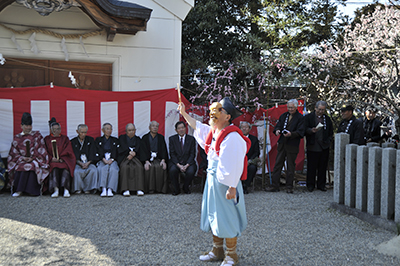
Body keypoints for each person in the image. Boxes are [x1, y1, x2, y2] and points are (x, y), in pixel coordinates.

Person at [178, 97, 250, 266]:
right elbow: (198, 126)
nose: (214, 114)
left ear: (228, 117)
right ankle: (217, 250)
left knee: (228, 216)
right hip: (212, 178)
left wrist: (232, 187)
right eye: (213, 111)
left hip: (226, 182)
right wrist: (183, 113)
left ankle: (232, 255)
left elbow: (235, 163)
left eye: (220, 111)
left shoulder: (233, 136)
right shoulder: (214, 131)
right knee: (214, 215)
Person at [265, 99, 305, 193]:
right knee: (278, 164)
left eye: (292, 107)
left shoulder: (300, 117)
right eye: (289, 107)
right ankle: (275, 185)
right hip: (282, 143)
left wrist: (292, 134)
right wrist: (277, 131)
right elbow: (278, 125)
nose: (290, 109)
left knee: (291, 166)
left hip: (292, 144)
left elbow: (301, 132)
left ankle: (289, 186)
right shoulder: (284, 115)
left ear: (296, 107)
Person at [7, 112, 49, 197]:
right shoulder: (17, 138)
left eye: (30, 125)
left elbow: (41, 149)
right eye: (26, 126)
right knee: (20, 166)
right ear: (21, 126)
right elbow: (13, 153)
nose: (28, 128)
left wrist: (33, 158)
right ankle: (19, 190)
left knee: (31, 166)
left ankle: (32, 190)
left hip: (34, 160)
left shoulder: (37, 136)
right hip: (21, 160)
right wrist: (22, 158)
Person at [304, 101, 333, 192]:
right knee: (311, 166)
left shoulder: (327, 119)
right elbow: (303, 129)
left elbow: (330, 132)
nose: (321, 111)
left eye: (323, 110)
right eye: (319, 109)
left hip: (323, 145)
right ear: (315, 108)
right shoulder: (308, 117)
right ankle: (310, 184)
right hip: (312, 145)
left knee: (322, 166)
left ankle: (321, 184)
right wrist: (310, 131)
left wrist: (328, 141)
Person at [44, 118, 76, 198]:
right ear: (51, 130)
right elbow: (44, 151)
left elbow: (68, 150)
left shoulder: (65, 139)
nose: (56, 131)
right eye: (54, 129)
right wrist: (51, 158)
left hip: (63, 160)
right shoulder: (47, 139)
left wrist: (61, 158)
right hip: (52, 161)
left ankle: (66, 189)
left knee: (65, 168)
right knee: (54, 167)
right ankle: (56, 189)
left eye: (58, 129)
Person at [168, 121, 197, 195]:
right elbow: (172, 154)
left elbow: (192, 154)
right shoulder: (172, 139)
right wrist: (179, 165)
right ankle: (176, 189)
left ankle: (185, 187)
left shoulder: (191, 139)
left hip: (188, 162)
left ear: (185, 128)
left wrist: (187, 165)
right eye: (179, 128)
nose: (181, 130)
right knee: (172, 170)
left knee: (191, 171)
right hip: (176, 162)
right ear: (176, 130)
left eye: (183, 128)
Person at [118, 123, 146, 196]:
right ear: (126, 131)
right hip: (125, 157)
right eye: (129, 130)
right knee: (124, 167)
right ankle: (125, 189)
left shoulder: (138, 139)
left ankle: (139, 189)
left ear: (135, 130)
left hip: (136, 157)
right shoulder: (122, 138)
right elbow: (121, 148)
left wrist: (134, 153)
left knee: (139, 167)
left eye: (133, 130)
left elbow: (139, 148)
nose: (131, 132)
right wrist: (128, 152)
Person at [70, 124, 98, 194]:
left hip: (88, 162)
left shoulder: (90, 140)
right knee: (76, 171)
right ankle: (78, 189)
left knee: (93, 170)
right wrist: (80, 163)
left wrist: (88, 163)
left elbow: (93, 152)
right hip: (78, 162)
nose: (83, 134)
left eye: (85, 132)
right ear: (77, 131)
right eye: (81, 132)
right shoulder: (73, 141)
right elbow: (72, 155)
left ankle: (88, 189)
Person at [141, 121, 168, 194]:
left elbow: (163, 149)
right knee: (150, 168)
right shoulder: (145, 138)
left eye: (156, 126)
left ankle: (160, 189)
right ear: (149, 128)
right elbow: (142, 150)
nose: (155, 127)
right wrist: (146, 161)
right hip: (148, 159)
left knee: (160, 167)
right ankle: (149, 189)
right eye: (153, 126)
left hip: (158, 158)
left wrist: (163, 160)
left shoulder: (160, 137)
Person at [95, 123, 119, 197]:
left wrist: (112, 159)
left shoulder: (115, 140)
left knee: (114, 169)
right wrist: (103, 158)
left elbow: (117, 151)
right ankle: (103, 188)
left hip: (112, 159)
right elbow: (96, 150)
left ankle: (110, 189)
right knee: (102, 168)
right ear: (103, 130)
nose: (109, 131)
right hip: (102, 159)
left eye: (110, 129)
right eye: (107, 129)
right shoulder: (98, 140)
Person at [239, 121, 260, 194]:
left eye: (246, 127)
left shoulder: (254, 139)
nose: (244, 129)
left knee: (252, 168)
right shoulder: (236, 138)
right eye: (242, 127)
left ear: (249, 129)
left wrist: (249, 161)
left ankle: (246, 186)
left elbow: (256, 152)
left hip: (249, 161)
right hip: (238, 161)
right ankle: (237, 186)